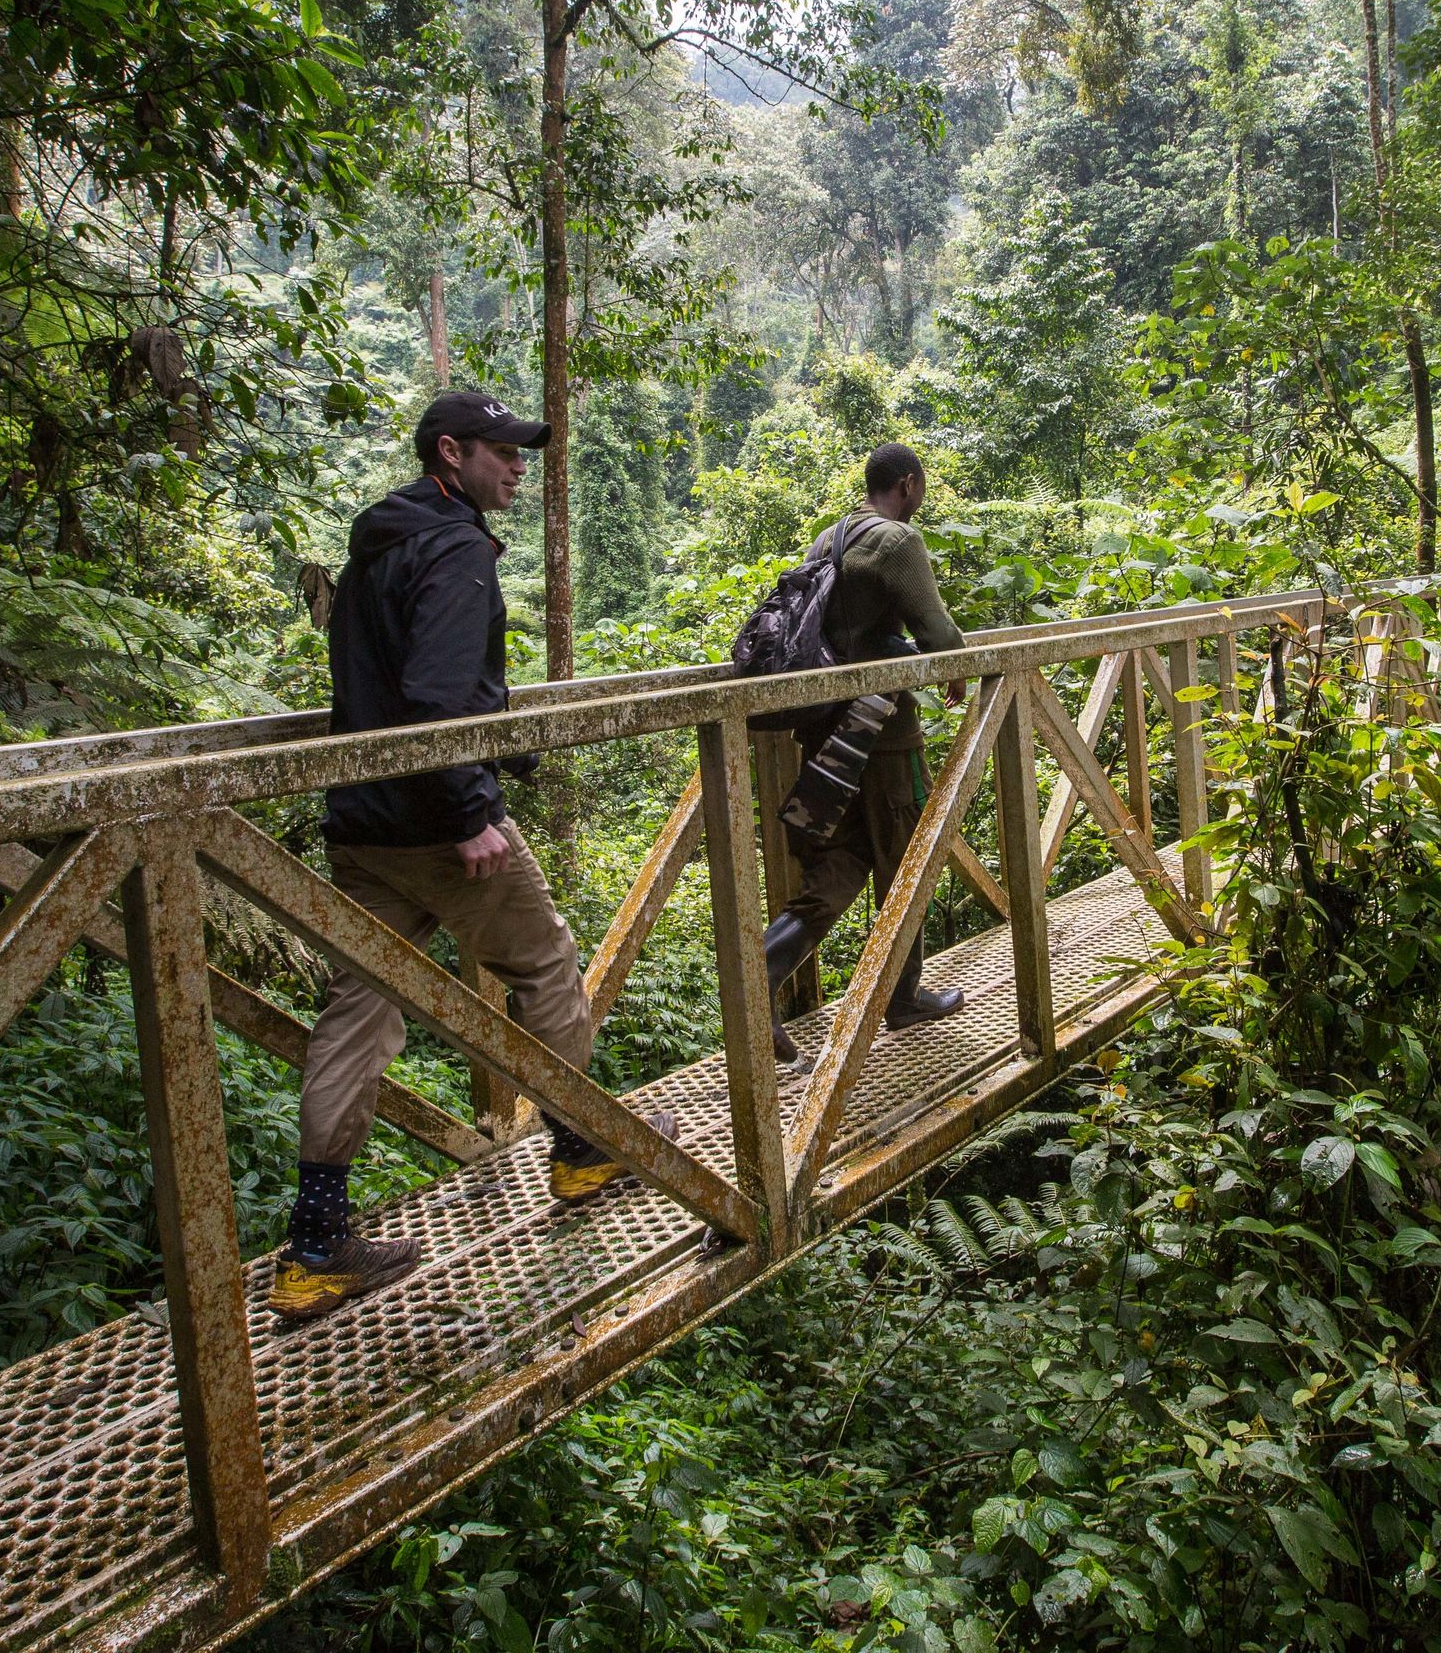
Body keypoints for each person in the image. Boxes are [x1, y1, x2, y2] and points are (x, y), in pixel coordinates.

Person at [273, 391, 677, 1327]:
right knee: (543, 962)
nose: (519, 467)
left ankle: (319, 1242)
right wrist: (470, 809)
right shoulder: (455, 548)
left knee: (358, 1008)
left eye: (524, 452)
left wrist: (502, 744)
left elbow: (389, 684)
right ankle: (581, 1147)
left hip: (361, 824)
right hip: (434, 822)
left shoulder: (377, 539)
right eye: (503, 452)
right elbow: (436, 696)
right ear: (449, 453)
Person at [760, 441, 969, 1064]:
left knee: (844, 861)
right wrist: (955, 665)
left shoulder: (831, 536)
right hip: (884, 736)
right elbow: (937, 633)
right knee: (908, 857)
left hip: (828, 736)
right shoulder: (897, 542)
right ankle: (903, 998)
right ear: (907, 485)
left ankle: (761, 976)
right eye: (922, 487)